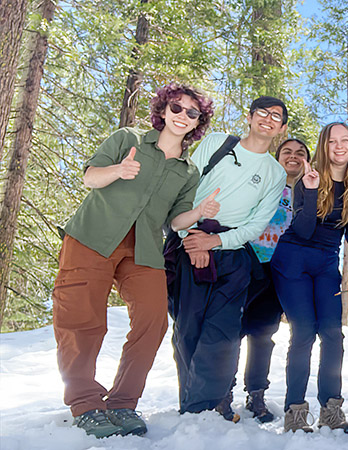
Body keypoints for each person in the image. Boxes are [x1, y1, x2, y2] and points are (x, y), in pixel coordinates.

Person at [53, 83, 213, 438]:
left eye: (192, 112)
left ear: (198, 122)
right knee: (81, 319)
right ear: (163, 109)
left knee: (153, 320)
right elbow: (90, 177)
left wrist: (199, 212)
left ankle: (123, 402)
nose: (182, 116)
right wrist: (118, 172)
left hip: (142, 249)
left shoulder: (188, 173)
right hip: (92, 236)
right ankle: (85, 402)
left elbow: (175, 221)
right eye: (176, 107)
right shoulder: (128, 139)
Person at [167, 96, 288, 422]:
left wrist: (216, 241)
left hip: (232, 255)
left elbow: (256, 224)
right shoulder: (219, 143)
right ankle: (190, 405)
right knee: (188, 326)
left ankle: (207, 407)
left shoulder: (274, 172)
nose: (268, 119)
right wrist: (194, 237)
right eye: (262, 112)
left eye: (276, 116)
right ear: (249, 117)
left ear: (282, 127)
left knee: (222, 333)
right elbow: (187, 188)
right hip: (189, 243)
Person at [271, 122, 348, 433]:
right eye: (333, 142)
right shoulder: (310, 178)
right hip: (293, 260)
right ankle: (295, 411)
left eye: (346, 140)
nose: (340, 146)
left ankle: (331, 409)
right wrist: (313, 189)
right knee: (303, 332)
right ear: (324, 146)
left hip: (326, 265)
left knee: (332, 333)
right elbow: (302, 230)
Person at [228, 138, 310, 423]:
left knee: (263, 334)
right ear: (277, 158)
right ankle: (223, 393)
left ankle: (256, 393)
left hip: (280, 271)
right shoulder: (263, 183)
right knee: (232, 330)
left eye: (300, 153)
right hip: (248, 263)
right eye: (287, 151)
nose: (293, 156)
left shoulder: (307, 194)